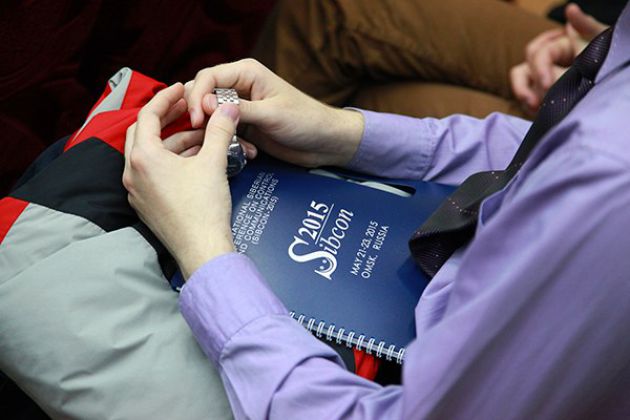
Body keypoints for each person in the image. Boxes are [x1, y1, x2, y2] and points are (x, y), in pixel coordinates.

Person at [121, 4, 630, 420]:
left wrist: (205, 251)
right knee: (343, 45)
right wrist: (343, 134)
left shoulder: (605, 189)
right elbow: (539, 155)